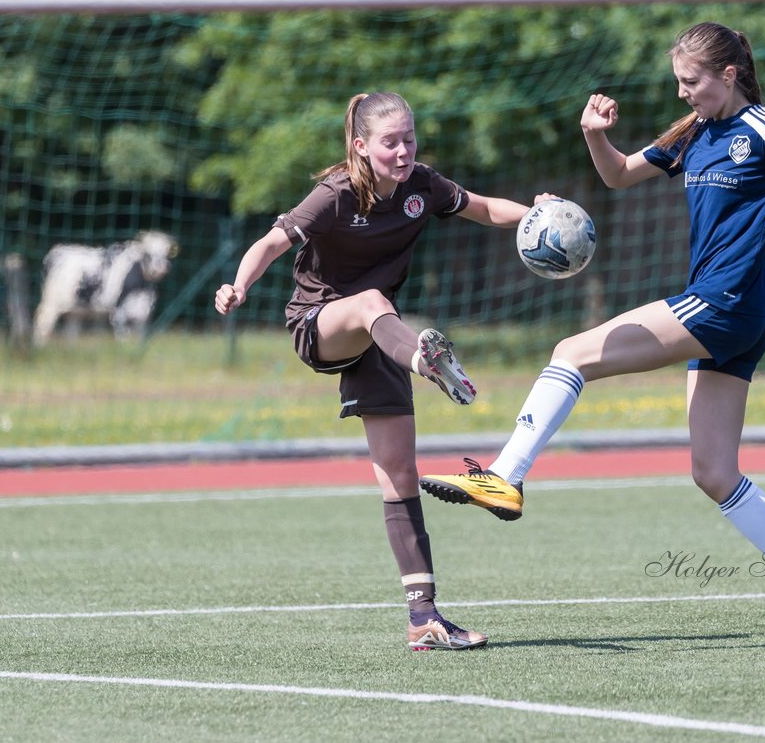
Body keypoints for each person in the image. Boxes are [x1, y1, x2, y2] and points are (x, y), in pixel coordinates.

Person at [419, 22, 765, 648]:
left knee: (571, 353)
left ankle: (506, 475)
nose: (682, 93)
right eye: (678, 81)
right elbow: (619, 174)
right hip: (733, 316)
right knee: (713, 471)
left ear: (728, 75)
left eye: (691, 81)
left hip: (725, 303)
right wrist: (596, 137)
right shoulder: (693, 133)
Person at [214, 91, 548, 651]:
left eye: (409, 138)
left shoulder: (423, 186)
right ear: (361, 147)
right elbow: (272, 241)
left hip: (381, 333)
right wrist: (238, 285)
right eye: (390, 142)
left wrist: (539, 215)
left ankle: (425, 619)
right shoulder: (335, 193)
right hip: (321, 323)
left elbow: (486, 208)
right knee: (372, 301)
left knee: (398, 474)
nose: (403, 151)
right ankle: (424, 358)